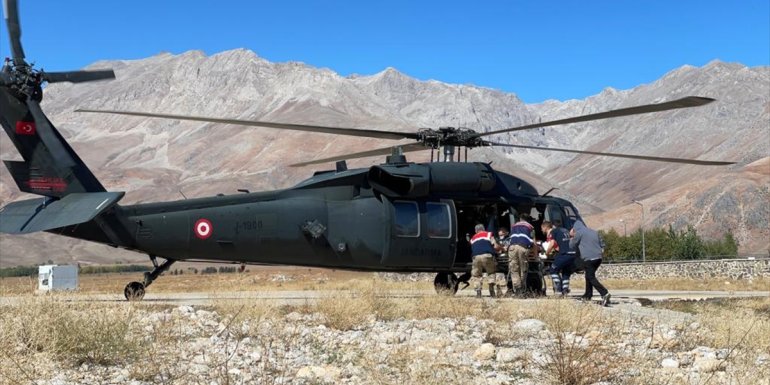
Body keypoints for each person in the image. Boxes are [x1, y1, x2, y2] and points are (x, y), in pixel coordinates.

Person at [570, 220, 611, 306]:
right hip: (598, 258)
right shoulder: (593, 231)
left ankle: (604, 293)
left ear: (574, 228)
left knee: (590, 276)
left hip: (589, 259)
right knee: (589, 275)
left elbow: (572, 245)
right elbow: (602, 243)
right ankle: (587, 295)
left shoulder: (579, 233)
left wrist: (571, 236)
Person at [470, 224, 503, 297]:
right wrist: (501, 249)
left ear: (476, 231)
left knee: (477, 275)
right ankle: (491, 290)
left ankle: (478, 292)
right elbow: (495, 246)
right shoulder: (488, 234)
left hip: (476, 257)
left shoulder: (473, 238)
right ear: (484, 229)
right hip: (487, 255)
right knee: (491, 272)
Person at [507, 214, 536, 296]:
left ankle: (517, 290)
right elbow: (533, 242)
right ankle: (522, 291)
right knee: (523, 269)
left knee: (514, 269)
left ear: (520, 219)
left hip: (512, 247)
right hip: (523, 247)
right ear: (528, 220)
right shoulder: (530, 227)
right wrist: (535, 255)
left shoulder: (513, 226)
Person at [547, 219, 575, 296]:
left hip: (564, 254)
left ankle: (558, 290)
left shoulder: (554, 231)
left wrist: (547, 253)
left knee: (553, 270)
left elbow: (552, 243)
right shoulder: (566, 230)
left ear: (553, 225)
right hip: (573, 254)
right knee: (566, 272)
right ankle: (565, 290)